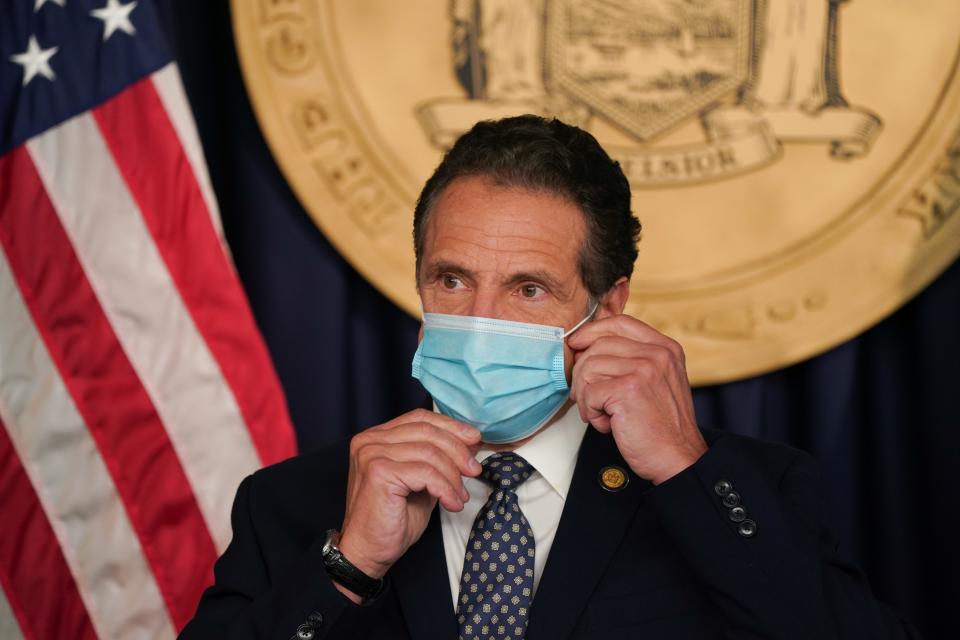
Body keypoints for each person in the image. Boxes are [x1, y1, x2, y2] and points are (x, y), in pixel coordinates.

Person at [180, 116, 918, 639]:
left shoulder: (740, 492)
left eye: (529, 289)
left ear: (609, 306)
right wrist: (348, 565)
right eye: (452, 280)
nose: (480, 317)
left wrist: (686, 473)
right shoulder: (295, 504)